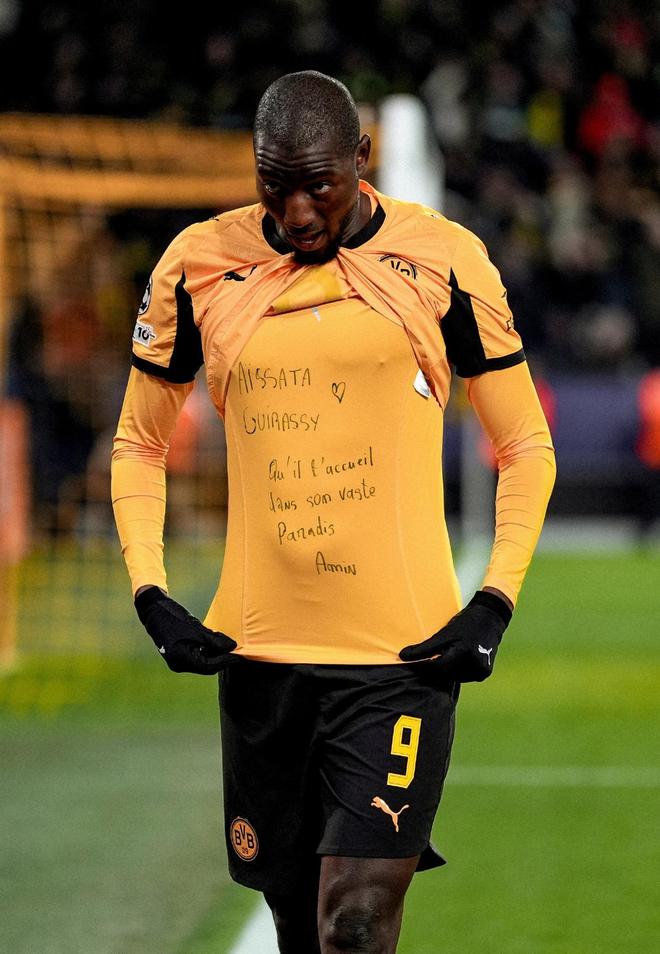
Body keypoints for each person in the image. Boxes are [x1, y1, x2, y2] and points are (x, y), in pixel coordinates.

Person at [111, 71, 556, 954]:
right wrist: (151, 593)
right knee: (297, 931)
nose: (298, 212)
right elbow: (139, 443)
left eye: (320, 184)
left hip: (401, 661)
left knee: (354, 923)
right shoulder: (197, 265)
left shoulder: (446, 261)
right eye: (274, 186)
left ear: (363, 156)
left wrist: (494, 600)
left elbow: (525, 445)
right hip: (258, 659)